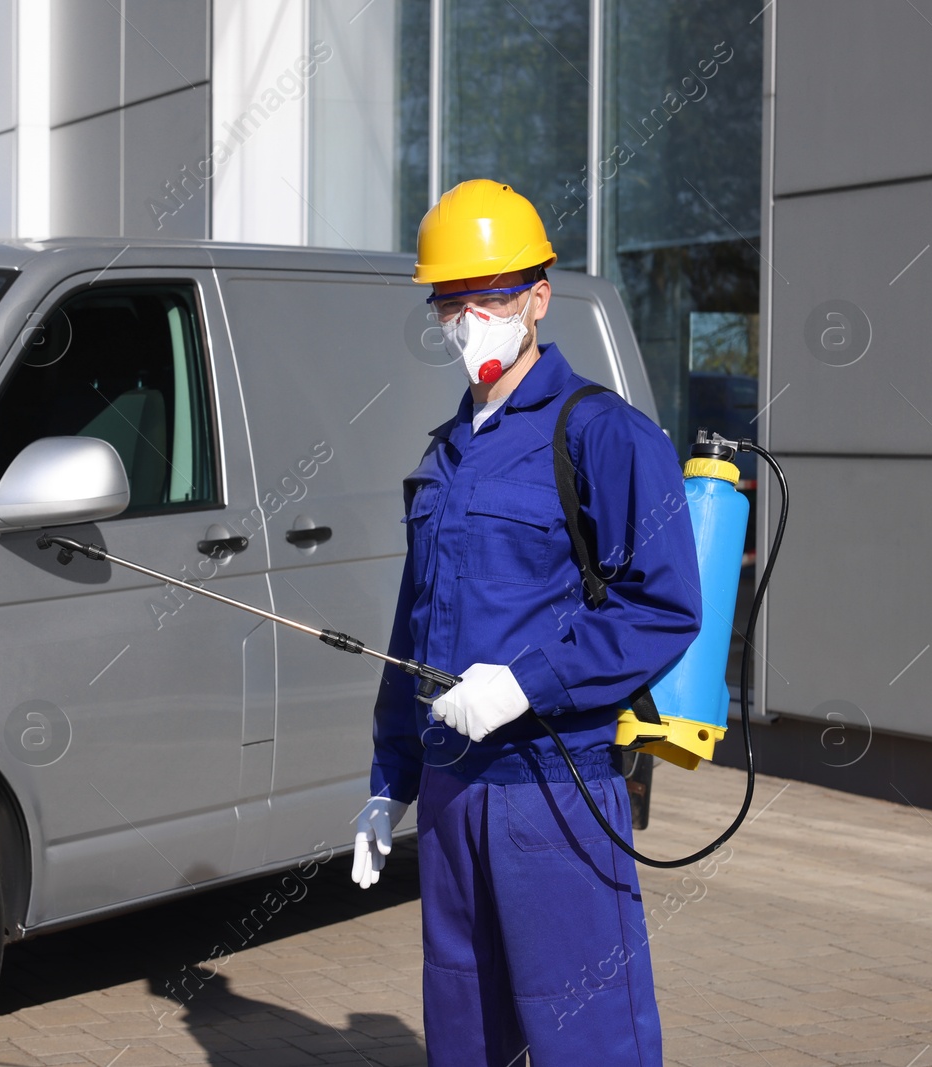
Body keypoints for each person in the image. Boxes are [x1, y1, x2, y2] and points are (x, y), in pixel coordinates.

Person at [349, 179, 704, 1066]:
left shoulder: (606, 435)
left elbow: (663, 606)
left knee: (585, 1032)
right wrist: (389, 775)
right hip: (450, 789)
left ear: (539, 298)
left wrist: (523, 683)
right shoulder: (448, 451)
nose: (471, 321)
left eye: (493, 298)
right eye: (452, 302)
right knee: (466, 1030)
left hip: (554, 788)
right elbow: (416, 628)